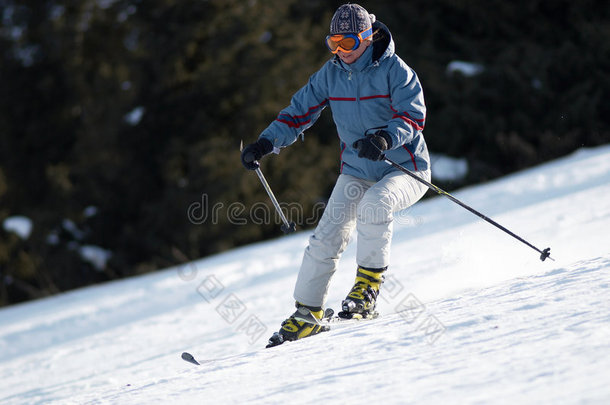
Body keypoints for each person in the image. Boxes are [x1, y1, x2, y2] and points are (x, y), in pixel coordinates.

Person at [241, 3, 431, 344]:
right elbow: (297, 114)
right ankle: (307, 313)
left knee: (376, 205)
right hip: (358, 170)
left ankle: (366, 290)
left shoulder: (394, 70)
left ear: (368, 37)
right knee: (326, 235)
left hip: (405, 169)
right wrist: (265, 143)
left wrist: (386, 137)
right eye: (334, 44)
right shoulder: (330, 76)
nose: (341, 51)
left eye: (348, 43)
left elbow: (413, 115)